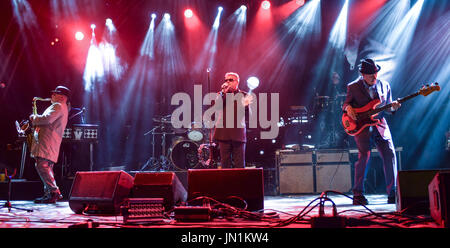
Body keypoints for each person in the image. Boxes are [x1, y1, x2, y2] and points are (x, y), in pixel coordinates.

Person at [342, 58, 401, 205]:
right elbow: (346, 104)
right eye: (370, 75)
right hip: (362, 127)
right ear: (362, 74)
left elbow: (388, 109)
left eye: (375, 73)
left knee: (390, 154)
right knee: (364, 157)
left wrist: (393, 107)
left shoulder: (385, 85)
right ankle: (358, 195)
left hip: (380, 125)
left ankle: (392, 193)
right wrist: (348, 108)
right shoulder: (353, 87)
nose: (374, 77)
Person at [30, 86, 70, 203]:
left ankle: (54, 192)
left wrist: (34, 118)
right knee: (46, 167)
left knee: (42, 165)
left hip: (48, 142)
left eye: (55, 94)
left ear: (62, 97)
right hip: (48, 142)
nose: (52, 95)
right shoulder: (60, 106)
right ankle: (49, 194)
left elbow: (47, 119)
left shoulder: (58, 106)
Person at [213, 72, 253, 168]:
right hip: (223, 133)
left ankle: (240, 183)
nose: (227, 82)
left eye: (230, 80)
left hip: (238, 133)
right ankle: (226, 183)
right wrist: (223, 93)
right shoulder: (220, 95)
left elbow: (249, 115)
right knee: (225, 163)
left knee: (239, 163)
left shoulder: (244, 95)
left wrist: (246, 106)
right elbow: (216, 108)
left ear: (237, 82)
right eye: (226, 80)